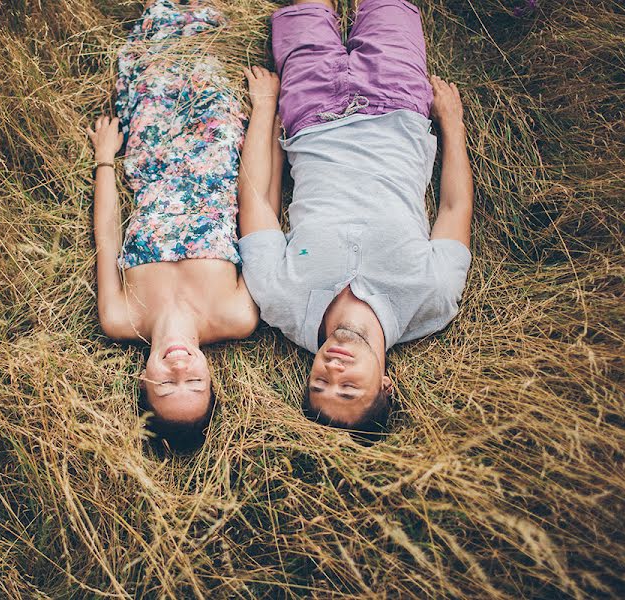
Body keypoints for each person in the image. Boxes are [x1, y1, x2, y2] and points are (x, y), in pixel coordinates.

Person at [238, 0, 474, 436]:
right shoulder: (432, 299)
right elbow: (454, 209)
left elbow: (255, 202)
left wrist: (265, 107)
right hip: (399, 106)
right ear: (387, 384)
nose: (333, 370)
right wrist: (452, 125)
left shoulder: (280, 302)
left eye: (319, 383)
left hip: (309, 112)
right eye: (349, 388)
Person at [87, 0, 282, 451]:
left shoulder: (121, 319)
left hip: (150, 160)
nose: (180, 372)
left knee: (155, 62)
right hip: (215, 147)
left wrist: (103, 160)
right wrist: (267, 121)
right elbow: (262, 213)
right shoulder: (237, 316)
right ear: (212, 379)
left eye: (165, 387)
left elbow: (107, 239)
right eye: (194, 386)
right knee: (204, 48)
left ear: (142, 381)